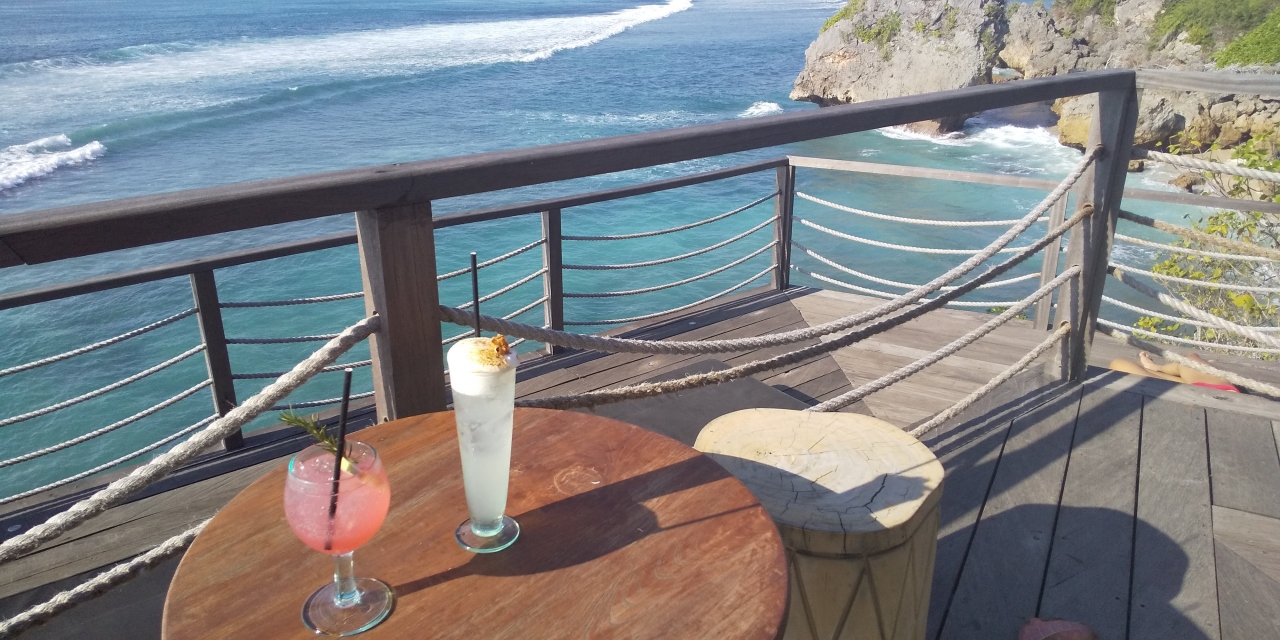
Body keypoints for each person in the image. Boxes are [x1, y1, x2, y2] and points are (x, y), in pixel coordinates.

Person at [1108, 351, 1240, 392]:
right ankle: (1155, 368)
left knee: (1118, 365)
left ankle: (1156, 368)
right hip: (1206, 391)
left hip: (1216, 394)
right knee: (1189, 360)